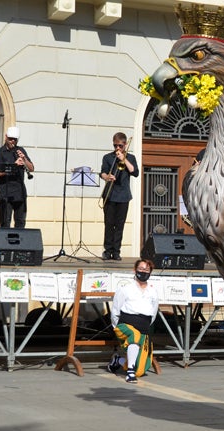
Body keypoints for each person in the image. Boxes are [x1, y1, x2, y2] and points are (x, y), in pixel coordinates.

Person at [107, 259, 160, 383]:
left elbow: (153, 312)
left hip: (144, 328)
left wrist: (145, 326)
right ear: (135, 270)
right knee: (134, 335)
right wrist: (117, 327)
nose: (143, 272)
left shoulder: (153, 291)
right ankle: (130, 373)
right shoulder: (125, 288)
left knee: (140, 370)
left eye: (146, 270)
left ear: (150, 272)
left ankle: (118, 361)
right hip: (125, 326)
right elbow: (115, 310)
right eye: (141, 269)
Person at [99, 132, 139, 261]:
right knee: (109, 224)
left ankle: (116, 251)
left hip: (123, 196)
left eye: (120, 146)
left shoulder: (130, 158)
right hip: (110, 195)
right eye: (115, 145)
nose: (117, 148)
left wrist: (123, 159)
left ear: (125, 145)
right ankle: (107, 250)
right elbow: (102, 173)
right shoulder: (107, 157)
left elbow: (134, 172)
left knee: (119, 225)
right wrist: (107, 177)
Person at [0, 126, 34, 228]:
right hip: (6, 193)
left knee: (20, 222)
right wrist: (14, 165)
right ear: (6, 137)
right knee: (5, 223)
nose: (12, 141)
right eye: (10, 139)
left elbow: (31, 168)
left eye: (15, 139)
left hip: (20, 192)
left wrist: (24, 159)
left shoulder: (20, 150)